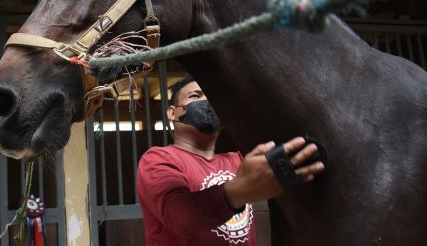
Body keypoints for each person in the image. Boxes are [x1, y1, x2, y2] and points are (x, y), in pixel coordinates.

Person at [136, 77, 325, 245]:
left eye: (211, 98)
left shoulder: (238, 160)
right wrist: (236, 193)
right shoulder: (158, 159)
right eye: (195, 96)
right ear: (172, 113)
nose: (207, 102)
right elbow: (179, 216)